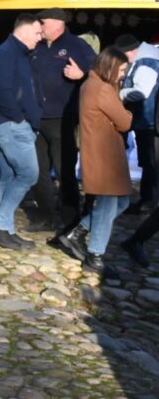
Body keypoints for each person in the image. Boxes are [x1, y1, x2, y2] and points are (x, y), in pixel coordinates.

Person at [56, 47, 132, 277]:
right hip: (105, 156)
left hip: (102, 153)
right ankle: (95, 255)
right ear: (110, 67)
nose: (122, 75)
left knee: (122, 202)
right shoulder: (102, 89)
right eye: (121, 70)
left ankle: (77, 232)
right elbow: (125, 121)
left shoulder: (92, 83)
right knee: (108, 206)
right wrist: (128, 113)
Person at [29, 8, 96, 230]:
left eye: (43, 22)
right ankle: (46, 214)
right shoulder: (37, 45)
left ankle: (70, 220)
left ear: (58, 23)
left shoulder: (77, 45)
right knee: (38, 171)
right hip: (36, 118)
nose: (39, 26)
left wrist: (83, 75)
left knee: (64, 171)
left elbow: (100, 72)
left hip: (63, 120)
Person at [0, 14, 43, 250]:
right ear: (25, 31)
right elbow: (2, 90)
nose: (40, 38)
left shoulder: (18, 53)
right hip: (13, 124)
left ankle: (5, 230)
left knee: (9, 177)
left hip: (16, 123)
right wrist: (19, 119)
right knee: (28, 174)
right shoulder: (6, 52)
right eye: (38, 33)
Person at [114, 34, 159, 214]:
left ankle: (150, 202)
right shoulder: (144, 58)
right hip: (147, 122)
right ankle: (148, 200)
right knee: (148, 163)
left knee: (151, 163)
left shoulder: (146, 62)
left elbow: (141, 92)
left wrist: (118, 94)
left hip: (149, 123)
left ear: (131, 52)